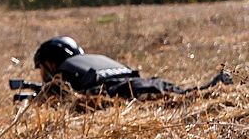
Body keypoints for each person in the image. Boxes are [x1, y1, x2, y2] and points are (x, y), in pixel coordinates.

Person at [32, 36, 231, 98]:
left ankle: (216, 86)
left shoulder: (64, 74)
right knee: (182, 93)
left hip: (125, 90)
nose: (42, 75)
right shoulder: (95, 59)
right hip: (141, 82)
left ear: (51, 63)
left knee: (182, 97)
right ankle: (216, 85)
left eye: (42, 68)